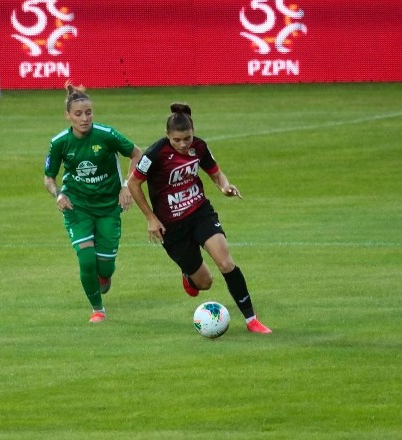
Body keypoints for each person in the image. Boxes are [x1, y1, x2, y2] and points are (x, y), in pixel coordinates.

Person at [127, 103, 272, 333]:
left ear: (193, 132)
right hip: (171, 226)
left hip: (199, 212)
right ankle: (189, 275)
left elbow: (216, 173)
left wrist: (225, 187)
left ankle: (251, 320)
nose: (183, 144)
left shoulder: (200, 147)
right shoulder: (155, 154)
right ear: (168, 136)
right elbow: (133, 183)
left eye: (187, 138)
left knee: (225, 262)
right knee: (204, 283)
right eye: (177, 140)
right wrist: (150, 217)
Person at [44, 82, 142, 323]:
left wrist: (126, 186)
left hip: (109, 207)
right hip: (77, 207)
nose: (84, 118)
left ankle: (103, 278)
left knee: (105, 268)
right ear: (68, 115)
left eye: (88, 113)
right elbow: (49, 178)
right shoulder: (59, 143)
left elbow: (137, 153)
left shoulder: (107, 135)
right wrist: (58, 194)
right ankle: (98, 309)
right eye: (78, 114)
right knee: (86, 259)